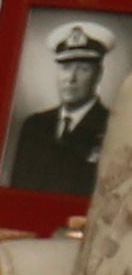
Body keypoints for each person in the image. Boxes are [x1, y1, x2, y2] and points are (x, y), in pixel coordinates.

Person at [8, 21, 118, 196]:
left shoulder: (114, 127)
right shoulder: (34, 125)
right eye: (65, 68)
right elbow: (15, 192)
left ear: (99, 74)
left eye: (83, 69)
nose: (71, 78)